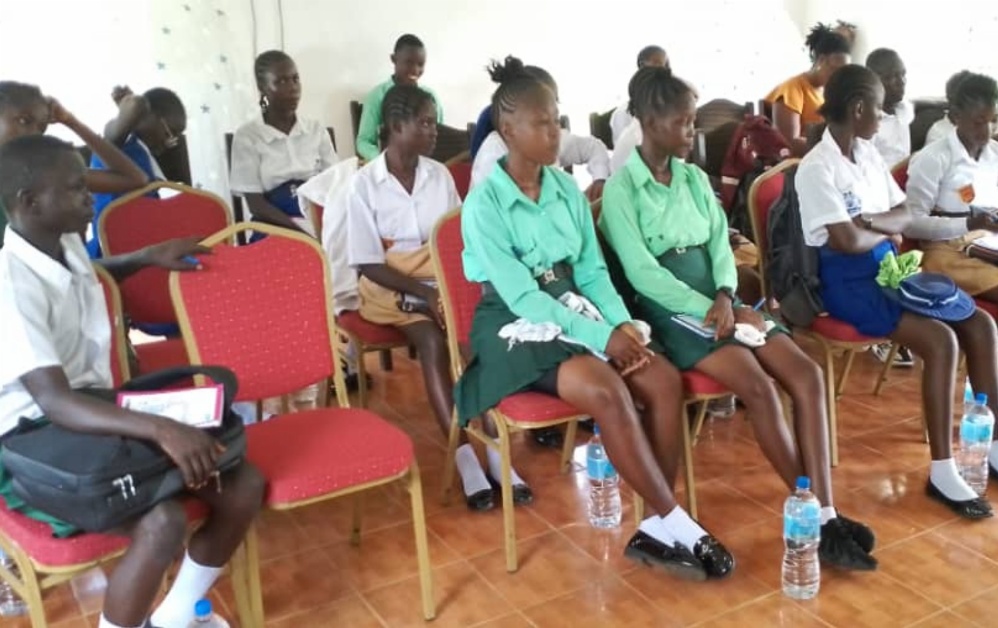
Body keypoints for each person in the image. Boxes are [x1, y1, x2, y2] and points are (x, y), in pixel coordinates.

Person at [454, 57, 733, 580]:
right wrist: (601, 337)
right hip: (517, 325)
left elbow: (592, 272)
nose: (556, 132)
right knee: (607, 388)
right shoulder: (485, 203)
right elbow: (522, 297)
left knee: (661, 377)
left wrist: (624, 326)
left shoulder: (566, 190)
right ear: (507, 130)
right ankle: (679, 523)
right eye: (542, 122)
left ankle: (654, 526)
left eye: (558, 119)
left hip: (577, 308)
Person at [599, 66, 876, 569]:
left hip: (717, 296)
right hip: (671, 310)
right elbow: (641, 274)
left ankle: (828, 510)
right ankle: (811, 513)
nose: (693, 132)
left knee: (806, 374)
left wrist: (726, 293)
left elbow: (719, 242)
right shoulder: (623, 190)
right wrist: (706, 305)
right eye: (684, 122)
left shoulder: (693, 179)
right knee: (758, 384)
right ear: (649, 122)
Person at [0, 134, 264, 628]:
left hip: (94, 414)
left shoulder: (65, 245)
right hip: (33, 444)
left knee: (241, 482)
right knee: (161, 521)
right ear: (30, 202)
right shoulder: (9, 286)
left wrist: (145, 256)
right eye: (76, 188)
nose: (89, 197)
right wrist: (160, 429)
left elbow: (90, 274)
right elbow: (55, 402)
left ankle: (178, 614)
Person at [797, 65, 998, 517]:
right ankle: (944, 470)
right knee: (941, 340)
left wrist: (869, 224)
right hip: (845, 282)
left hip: (889, 268)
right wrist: (874, 229)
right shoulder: (816, 168)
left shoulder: (865, 155)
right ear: (858, 107)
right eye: (880, 109)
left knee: (980, 325)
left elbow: (903, 213)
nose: (885, 118)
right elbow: (844, 243)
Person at [346, 84, 529, 510]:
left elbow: (454, 239)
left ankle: (498, 454)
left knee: (472, 339)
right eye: (425, 122)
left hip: (438, 275)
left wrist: (453, 291)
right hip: (389, 283)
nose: (434, 130)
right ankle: (464, 456)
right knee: (432, 340)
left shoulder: (439, 175)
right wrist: (425, 296)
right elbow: (367, 263)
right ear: (396, 127)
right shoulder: (363, 185)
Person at [905, 73, 998, 407]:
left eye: (993, 121)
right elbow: (912, 224)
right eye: (977, 122)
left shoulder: (997, 155)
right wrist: (966, 222)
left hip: (988, 243)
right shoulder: (934, 157)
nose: (986, 131)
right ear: (955, 116)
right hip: (944, 252)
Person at [0, 81, 149, 248]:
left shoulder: (45, 174)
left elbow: (135, 180)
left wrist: (71, 121)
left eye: (42, 128)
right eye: (24, 121)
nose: (35, 134)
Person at [230, 50, 338, 241]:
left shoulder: (315, 130)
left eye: (295, 79)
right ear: (263, 87)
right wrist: (302, 234)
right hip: (275, 226)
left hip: (316, 218)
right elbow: (256, 205)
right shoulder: (248, 137)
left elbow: (335, 184)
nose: (292, 88)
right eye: (281, 82)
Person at [470, 57, 609, 202]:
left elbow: (593, 147)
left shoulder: (551, 139)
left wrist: (600, 179)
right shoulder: (493, 155)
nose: (554, 130)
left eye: (555, 117)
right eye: (541, 120)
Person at [87, 85, 188, 258]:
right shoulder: (116, 145)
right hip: (113, 249)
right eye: (168, 133)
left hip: (144, 243)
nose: (168, 143)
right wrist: (133, 105)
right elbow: (130, 112)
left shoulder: (144, 151)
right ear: (147, 117)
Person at [863, 47, 916, 368]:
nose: (900, 82)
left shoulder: (905, 111)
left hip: (902, 192)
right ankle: (886, 333)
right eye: (891, 77)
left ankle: (905, 323)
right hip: (876, 197)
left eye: (903, 74)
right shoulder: (869, 122)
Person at [764, 23, 851, 157]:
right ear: (821, 60)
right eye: (837, 70)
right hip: (797, 166)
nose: (841, 77)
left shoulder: (827, 93)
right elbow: (788, 143)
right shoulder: (792, 89)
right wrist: (834, 151)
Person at [356, 34, 444, 161]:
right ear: (394, 59)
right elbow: (363, 142)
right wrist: (384, 160)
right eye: (409, 62)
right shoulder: (377, 96)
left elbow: (441, 135)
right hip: (391, 167)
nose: (415, 70)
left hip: (426, 166)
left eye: (420, 64)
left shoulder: (431, 98)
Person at [610, 45, 670, 143]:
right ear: (642, 65)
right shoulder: (622, 114)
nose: (664, 70)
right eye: (660, 64)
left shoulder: (668, 106)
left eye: (666, 65)